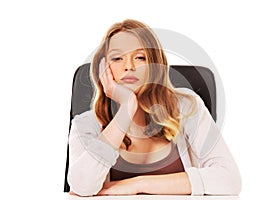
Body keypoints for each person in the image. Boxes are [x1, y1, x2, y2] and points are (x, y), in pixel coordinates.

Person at [67, 19, 242, 196]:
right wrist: (126, 108)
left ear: (155, 66)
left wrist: (138, 184)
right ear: (103, 68)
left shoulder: (186, 106)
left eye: (140, 57)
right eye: (117, 58)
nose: (129, 66)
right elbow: (82, 188)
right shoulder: (85, 124)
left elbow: (229, 179)